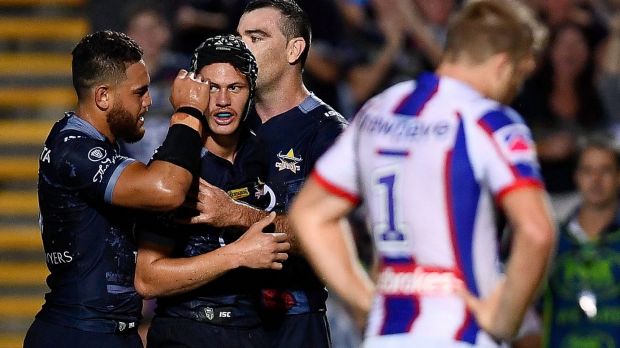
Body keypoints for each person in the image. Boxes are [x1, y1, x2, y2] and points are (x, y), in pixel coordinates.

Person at [289, 0, 556, 347]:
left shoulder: (380, 110)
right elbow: (537, 231)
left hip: (386, 335)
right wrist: (505, 318)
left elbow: (310, 213)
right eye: (520, 77)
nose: (514, 91)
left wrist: (363, 298)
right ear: (504, 65)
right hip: (460, 334)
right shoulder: (486, 119)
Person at [23, 30, 211, 348]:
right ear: (103, 97)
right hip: (78, 335)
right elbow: (166, 189)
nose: (149, 102)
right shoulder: (73, 149)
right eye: (140, 92)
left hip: (110, 333)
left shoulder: (96, 145)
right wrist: (189, 113)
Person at [188, 1, 348, 346]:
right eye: (238, 36)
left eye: (255, 37)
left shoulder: (330, 134)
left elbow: (327, 236)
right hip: (221, 323)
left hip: (293, 323)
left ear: (294, 49)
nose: (238, 47)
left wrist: (234, 214)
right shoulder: (222, 118)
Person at [133, 34, 291, 348]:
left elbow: (304, 236)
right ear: (195, 91)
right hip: (187, 332)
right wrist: (235, 255)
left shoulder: (267, 154)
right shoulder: (174, 166)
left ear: (251, 92)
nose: (222, 100)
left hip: (257, 332)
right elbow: (147, 279)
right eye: (211, 88)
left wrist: (234, 214)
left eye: (235, 88)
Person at [542, 136, 620, 347]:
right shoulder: (550, 239)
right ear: (576, 176)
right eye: (587, 170)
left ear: (619, 177)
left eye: (605, 170)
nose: (596, 180)